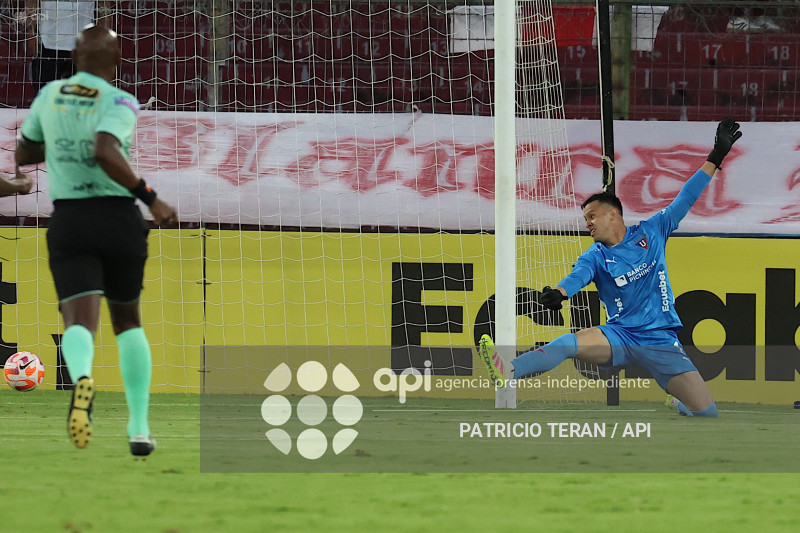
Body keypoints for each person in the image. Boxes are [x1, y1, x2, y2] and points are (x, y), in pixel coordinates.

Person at [479, 118, 743, 418]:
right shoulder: (595, 256)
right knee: (568, 343)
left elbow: (687, 196)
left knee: (707, 412)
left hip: (660, 340)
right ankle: (508, 369)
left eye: (592, 216)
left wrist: (716, 156)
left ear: (613, 216)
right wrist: (560, 293)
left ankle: (679, 404)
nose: (588, 223)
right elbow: (578, 276)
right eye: (585, 219)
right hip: (620, 336)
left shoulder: (653, 231)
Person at [15, 25, 177, 456]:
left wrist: (60, 140)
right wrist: (151, 199)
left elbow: (25, 154)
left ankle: (82, 376)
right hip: (118, 218)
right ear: (117, 58)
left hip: (70, 219)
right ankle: (139, 429)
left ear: (74, 57)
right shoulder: (120, 100)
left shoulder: (48, 95)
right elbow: (105, 150)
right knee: (127, 322)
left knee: (78, 319)